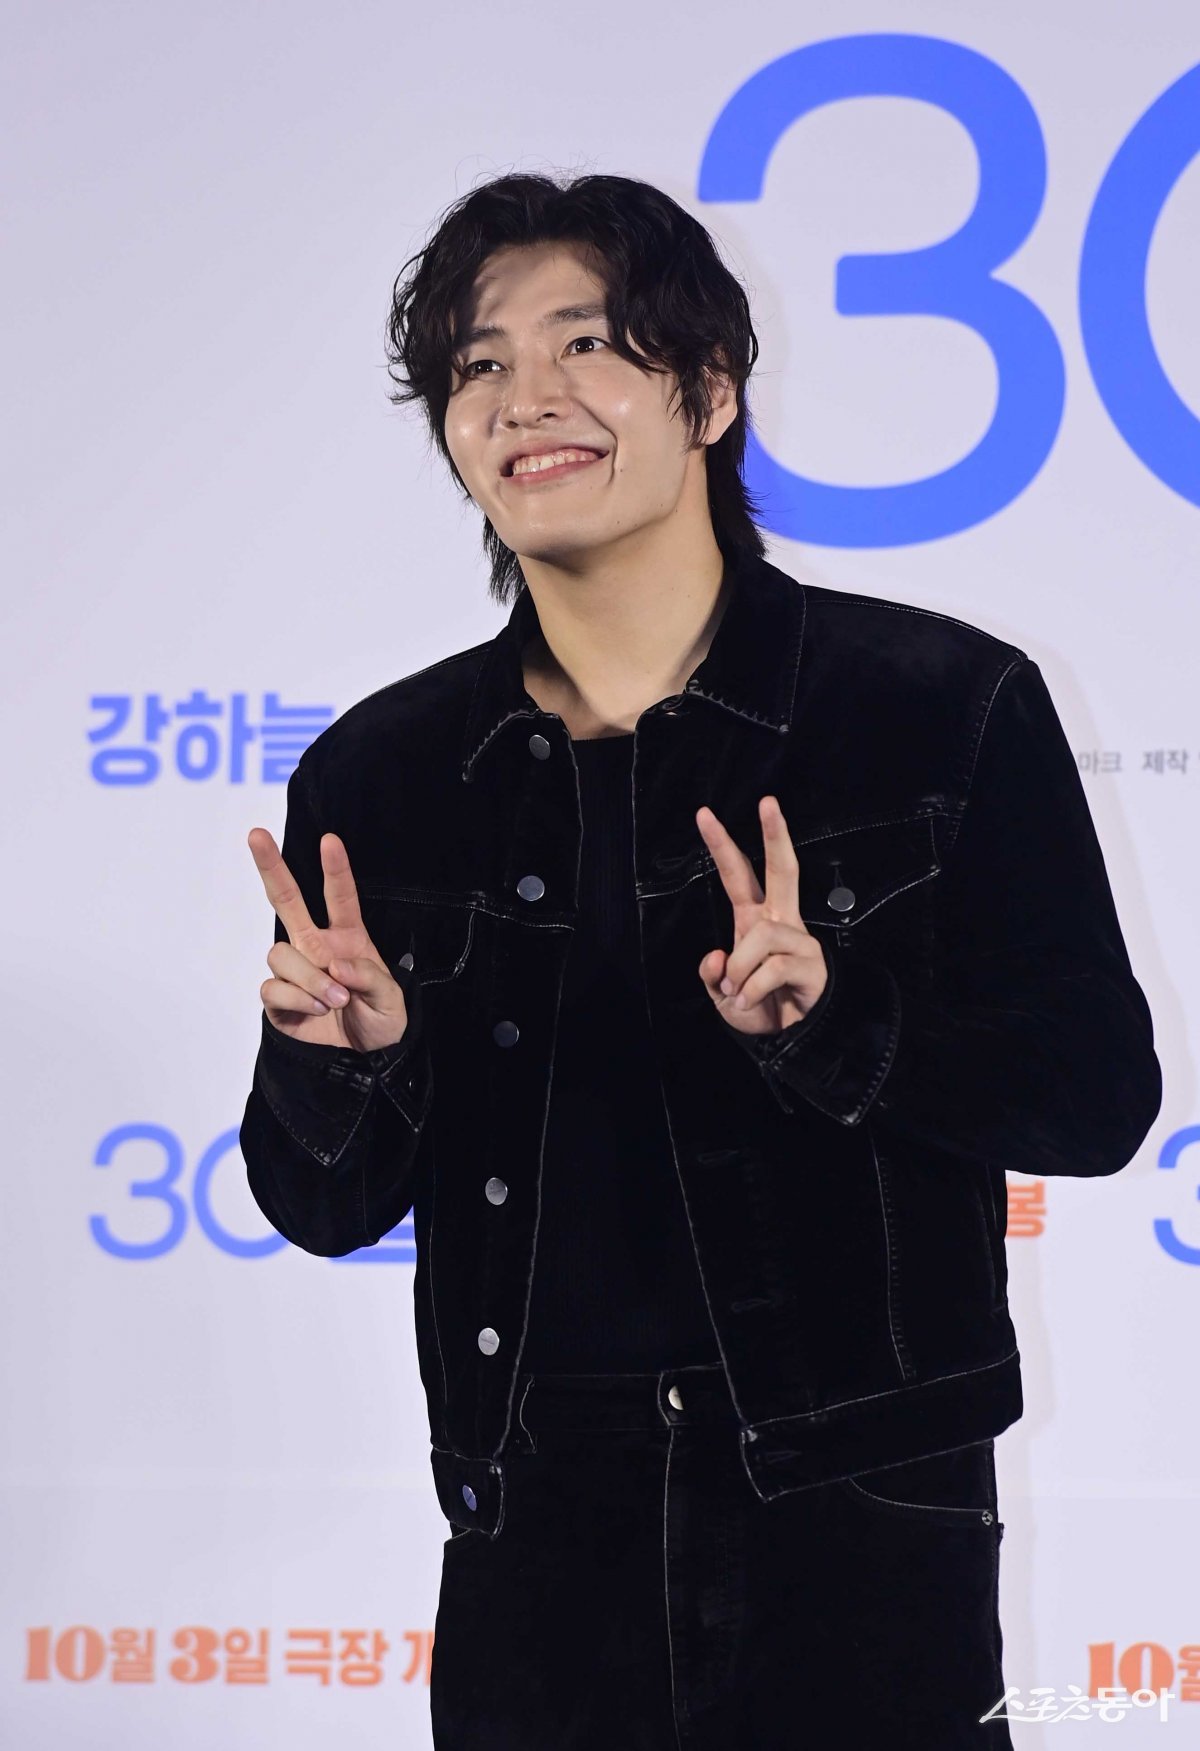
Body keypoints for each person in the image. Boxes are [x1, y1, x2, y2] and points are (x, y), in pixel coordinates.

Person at [239, 172, 1162, 1749]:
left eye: (586, 344)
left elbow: (1092, 1100)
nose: (525, 396)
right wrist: (347, 1065)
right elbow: (318, 1204)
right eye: (477, 364)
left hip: (858, 1521)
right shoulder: (384, 776)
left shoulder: (934, 706)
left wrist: (835, 1022)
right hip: (534, 1536)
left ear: (714, 391)